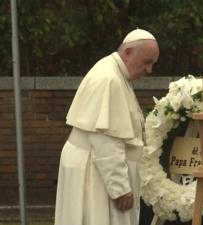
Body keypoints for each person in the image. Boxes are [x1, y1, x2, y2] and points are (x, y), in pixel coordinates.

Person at [54, 28, 160, 225]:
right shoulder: (109, 79)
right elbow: (105, 139)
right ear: (128, 53)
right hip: (95, 171)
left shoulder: (115, 72)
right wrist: (119, 188)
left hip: (96, 166)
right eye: (146, 62)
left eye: (152, 63)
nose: (149, 70)